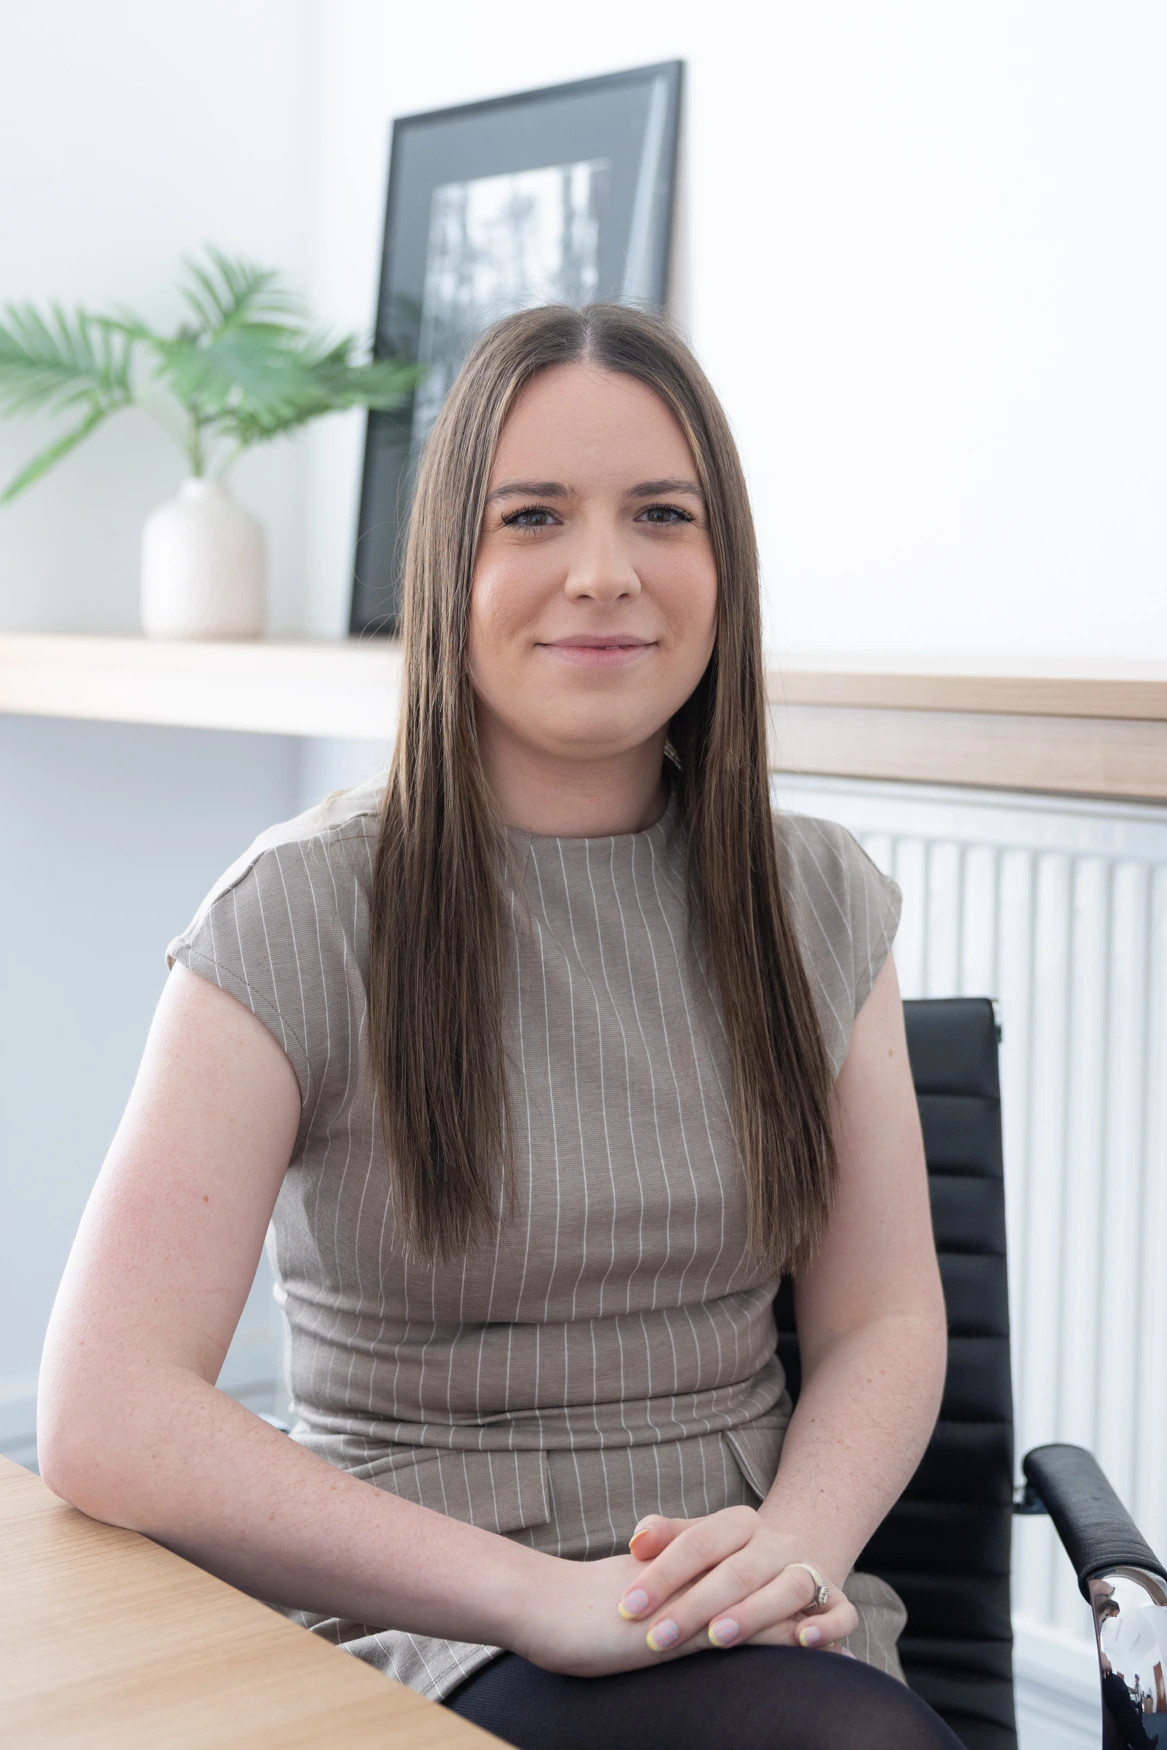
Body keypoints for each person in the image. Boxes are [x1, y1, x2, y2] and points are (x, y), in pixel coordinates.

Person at [38, 304, 960, 1749]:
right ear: (446, 566)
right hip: (427, 1624)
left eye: (662, 512)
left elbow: (881, 1315)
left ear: (725, 564)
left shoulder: (816, 895)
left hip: (757, 1597)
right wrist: (538, 1596)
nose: (604, 572)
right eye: (531, 515)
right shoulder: (297, 912)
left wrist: (790, 1550)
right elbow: (105, 1405)